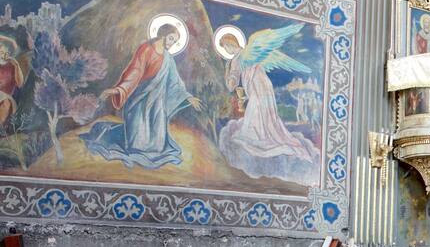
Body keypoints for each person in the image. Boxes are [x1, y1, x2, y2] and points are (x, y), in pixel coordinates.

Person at [82, 24, 201, 168]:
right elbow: (135, 72)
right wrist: (118, 89)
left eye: (174, 42)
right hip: (139, 100)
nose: (171, 43)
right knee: (136, 143)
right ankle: (107, 132)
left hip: (157, 103)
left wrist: (188, 97)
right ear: (162, 35)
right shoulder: (146, 49)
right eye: (171, 38)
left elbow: (175, 81)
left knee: (157, 146)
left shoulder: (168, 59)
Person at [216, 25, 319, 185]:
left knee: (257, 109)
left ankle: (261, 136)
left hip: (260, 85)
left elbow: (240, 73)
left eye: (228, 46)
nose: (228, 50)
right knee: (256, 110)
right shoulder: (234, 60)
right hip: (253, 88)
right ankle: (260, 134)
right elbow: (232, 85)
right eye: (225, 49)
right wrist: (227, 71)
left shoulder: (247, 51)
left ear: (233, 42)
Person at [0, 37, 26, 129]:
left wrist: (16, 65)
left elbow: (20, 84)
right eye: (0, 52)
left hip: (6, 98)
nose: (2, 55)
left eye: (4, 53)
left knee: (5, 103)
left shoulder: (12, 65)